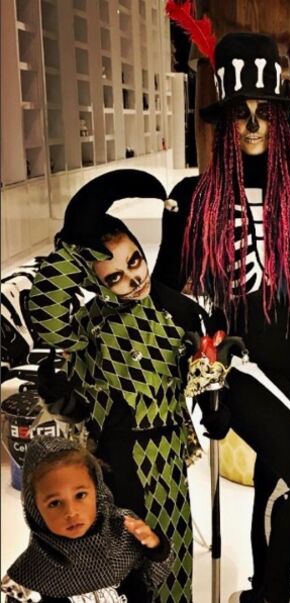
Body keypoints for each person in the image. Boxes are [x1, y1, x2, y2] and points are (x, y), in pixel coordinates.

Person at [153, 32, 290, 603]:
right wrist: (201, 363)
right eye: (241, 113)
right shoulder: (193, 199)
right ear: (224, 123)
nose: (254, 125)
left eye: (264, 112)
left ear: (281, 121)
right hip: (237, 368)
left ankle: (264, 591)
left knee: (277, 485)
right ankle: (269, 596)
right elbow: (162, 290)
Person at [28, 170, 211, 603]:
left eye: (134, 261)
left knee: (173, 550)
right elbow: (49, 321)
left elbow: (198, 369)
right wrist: (73, 248)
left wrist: (215, 399)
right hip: (117, 459)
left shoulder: (174, 312)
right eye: (112, 277)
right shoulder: (90, 325)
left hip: (169, 454)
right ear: (94, 281)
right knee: (126, 561)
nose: (132, 279)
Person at [1, 436, 173, 603]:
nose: (71, 512)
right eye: (54, 503)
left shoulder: (122, 531)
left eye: (80, 495)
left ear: (97, 490)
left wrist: (156, 547)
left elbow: (153, 578)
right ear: (34, 508)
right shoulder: (31, 573)